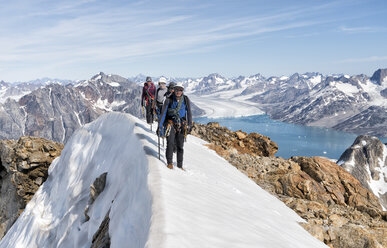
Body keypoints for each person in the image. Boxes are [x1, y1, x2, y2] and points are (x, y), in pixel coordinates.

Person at [158, 82, 192, 170]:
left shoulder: (185, 99)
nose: (178, 92)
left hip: (182, 124)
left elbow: (189, 112)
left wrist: (190, 125)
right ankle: (170, 163)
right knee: (170, 143)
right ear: (174, 90)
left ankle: (180, 165)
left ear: (182, 91)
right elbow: (163, 113)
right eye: (177, 90)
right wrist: (160, 126)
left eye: (180, 90)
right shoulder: (169, 99)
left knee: (180, 146)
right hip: (171, 123)